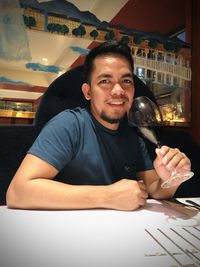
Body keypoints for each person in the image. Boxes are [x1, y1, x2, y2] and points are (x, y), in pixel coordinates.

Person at [6, 41, 191, 211]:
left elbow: (154, 189)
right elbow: (17, 192)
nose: (118, 90)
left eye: (126, 81)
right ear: (88, 92)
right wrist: (107, 196)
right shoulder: (69, 124)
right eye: (105, 81)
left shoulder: (132, 135)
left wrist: (171, 178)